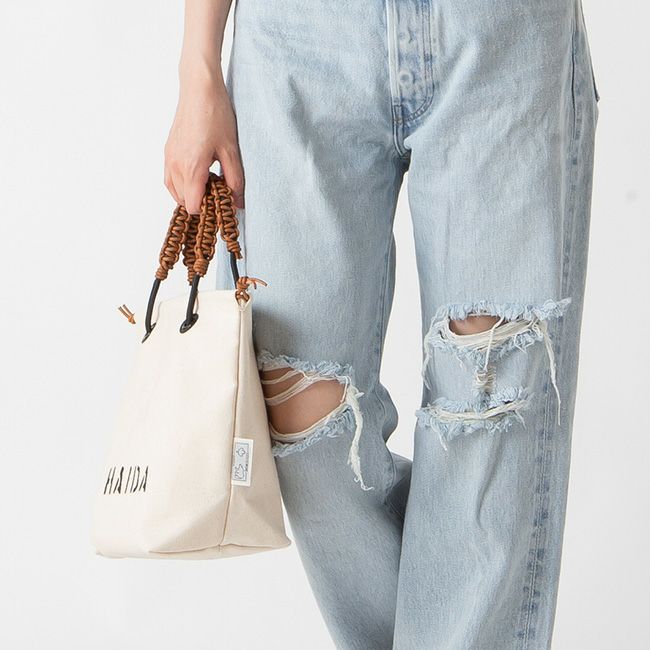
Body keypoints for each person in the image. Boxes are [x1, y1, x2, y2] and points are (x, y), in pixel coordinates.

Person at [164, 1, 598, 647]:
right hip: (298, 39)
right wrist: (198, 64)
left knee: (490, 396)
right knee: (295, 401)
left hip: (498, 37)